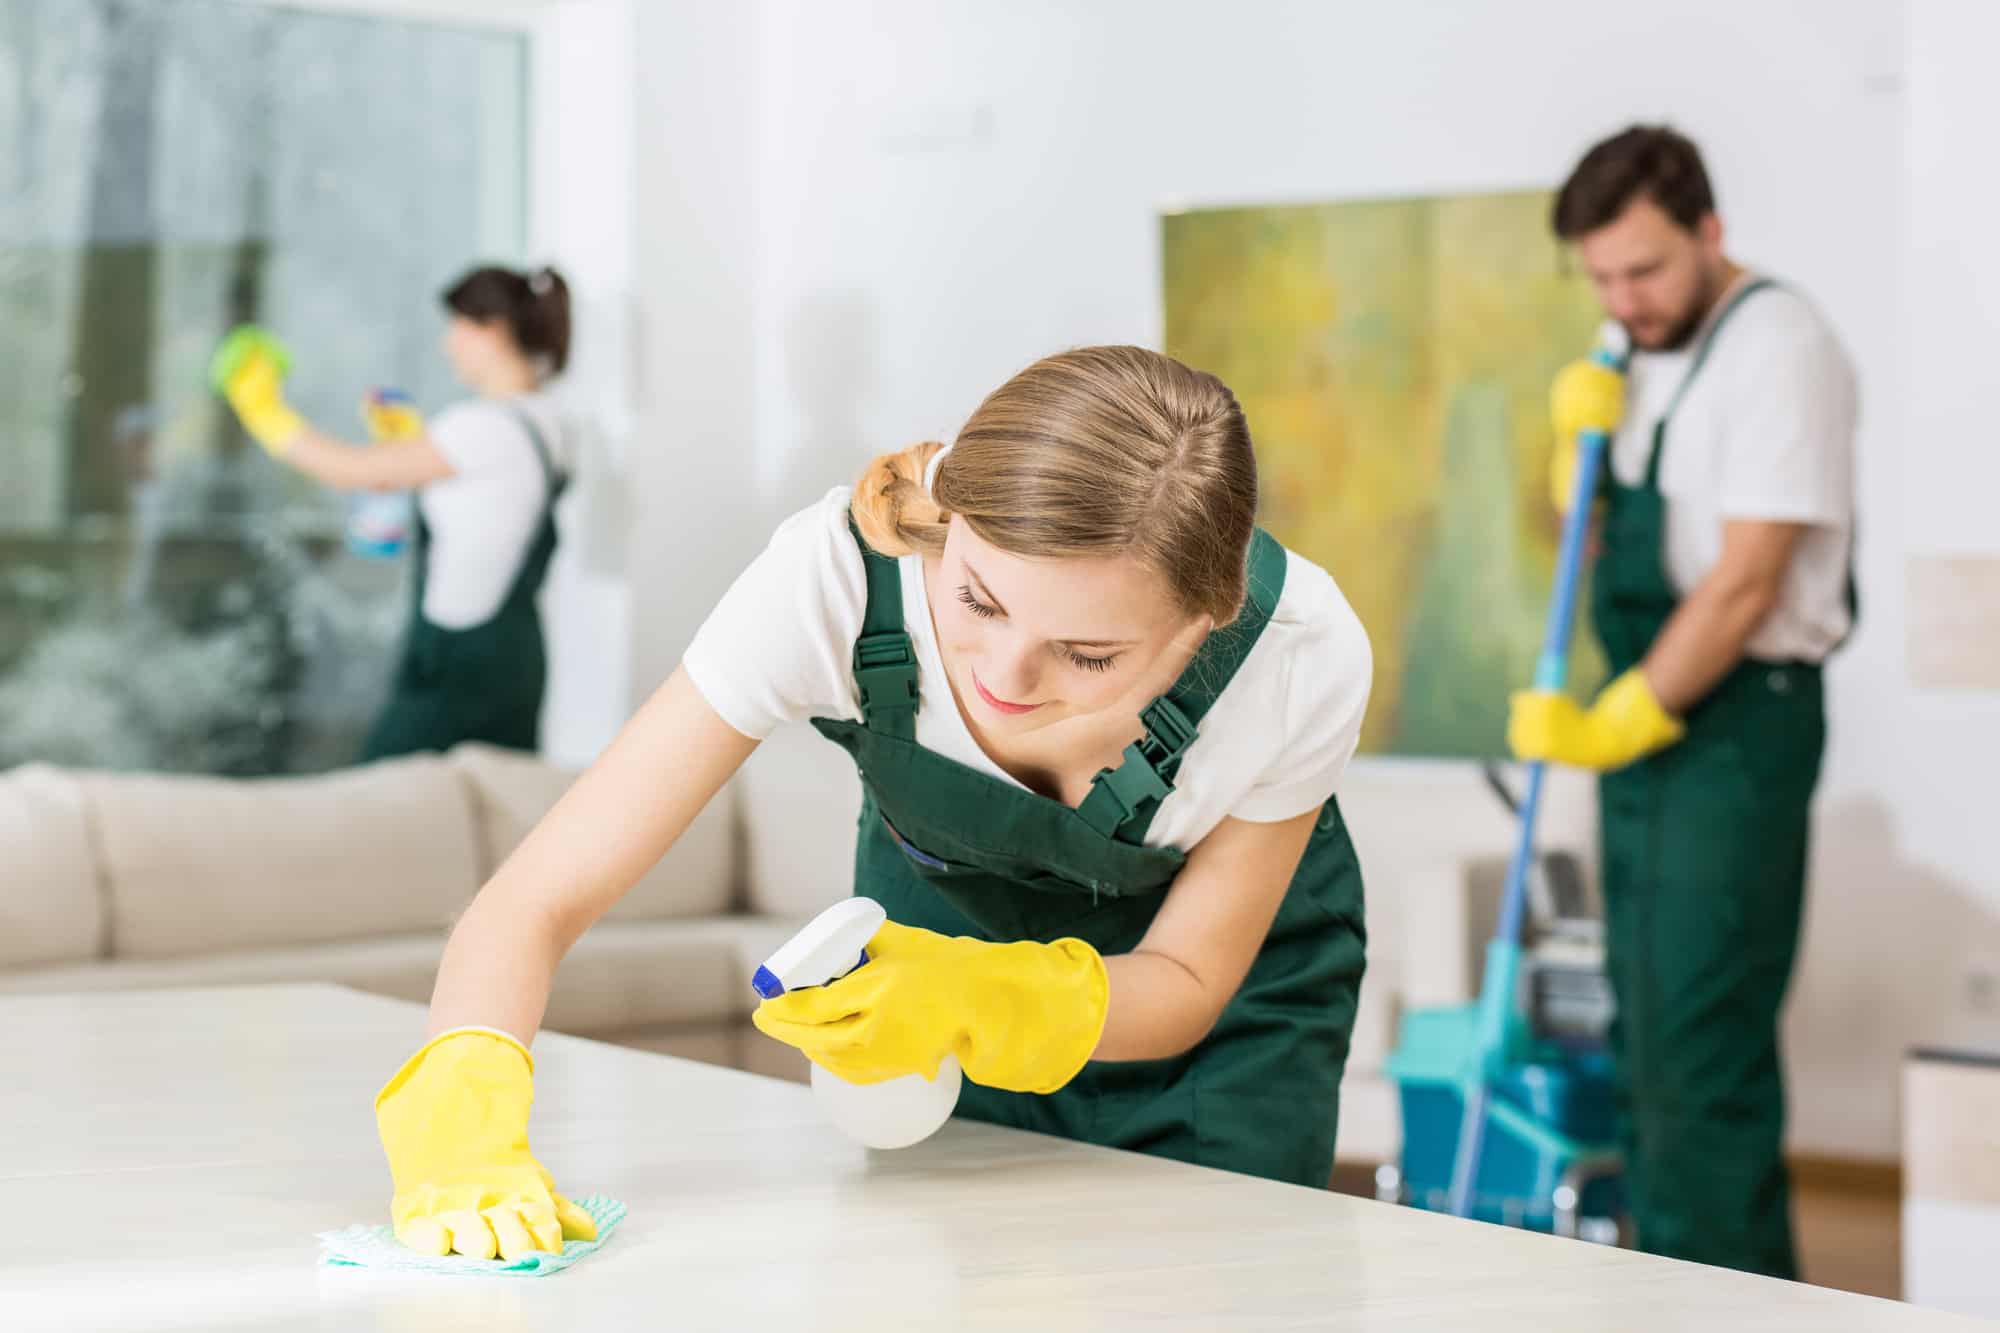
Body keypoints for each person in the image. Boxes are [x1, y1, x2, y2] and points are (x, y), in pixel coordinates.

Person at [367, 345, 1374, 1261]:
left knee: (1224, 1285)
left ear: (1208, 616)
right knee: (951, 1278)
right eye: (977, 597)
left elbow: (1189, 977)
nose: (1006, 675)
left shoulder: (1297, 654)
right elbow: (533, 899)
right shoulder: (834, 579)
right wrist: (462, 1108)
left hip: (1224, 1038)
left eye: (1089, 652)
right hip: (928, 1026)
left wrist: (977, 997)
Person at [1511, 126, 1858, 1278]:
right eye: (1600, 276)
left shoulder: (1780, 345)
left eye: (1644, 269)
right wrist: (1573, 460)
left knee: (1702, 1047)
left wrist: (1616, 719)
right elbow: (1587, 546)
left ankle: (1738, 1301)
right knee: (1643, 1039)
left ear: (1708, 233)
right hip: (1657, 722)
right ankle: (1659, 1294)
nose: (1622, 299)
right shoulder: (1629, 341)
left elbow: (1747, 578)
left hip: (1734, 723)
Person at [212, 265, 574, 760]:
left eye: (457, 327)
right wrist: (409, 450)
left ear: (492, 328)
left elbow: (349, 470)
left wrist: (265, 413)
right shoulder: (548, 418)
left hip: (458, 662)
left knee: (388, 795)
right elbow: (481, 512)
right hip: (515, 654)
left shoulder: (481, 427)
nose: (449, 345)